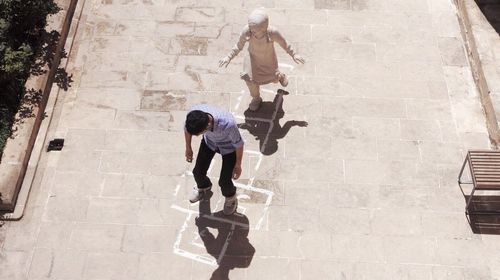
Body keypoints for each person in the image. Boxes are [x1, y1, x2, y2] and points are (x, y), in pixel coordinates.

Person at [219, 8, 305, 111]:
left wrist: (293, 54)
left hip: (268, 59)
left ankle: (280, 76)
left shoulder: (272, 32)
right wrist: (229, 57)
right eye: (251, 28)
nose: (252, 31)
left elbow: (284, 43)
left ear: (264, 28)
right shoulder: (247, 31)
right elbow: (239, 45)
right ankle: (256, 98)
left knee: (274, 78)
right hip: (252, 59)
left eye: (255, 30)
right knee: (249, 79)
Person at [184, 104, 244, 215]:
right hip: (209, 143)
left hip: (229, 148)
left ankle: (231, 198)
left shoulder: (228, 124)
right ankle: (204, 186)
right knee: (197, 172)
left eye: (200, 133)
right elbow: (187, 129)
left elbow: (239, 144)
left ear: (208, 125)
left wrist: (238, 165)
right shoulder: (193, 115)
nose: (197, 136)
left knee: (224, 181)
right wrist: (188, 147)